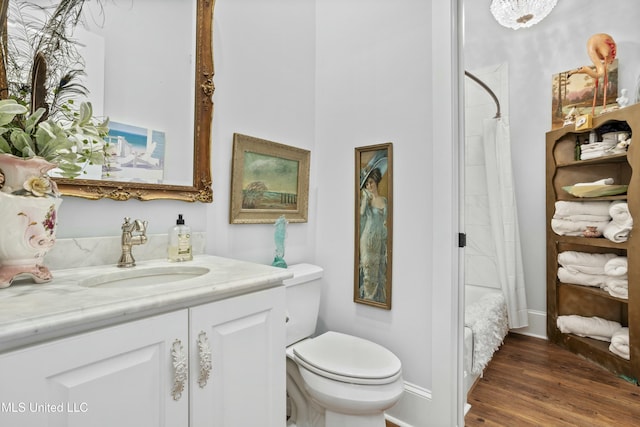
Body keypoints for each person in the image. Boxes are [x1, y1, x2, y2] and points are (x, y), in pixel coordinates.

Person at [359, 167, 387, 303]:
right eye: (366, 184)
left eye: (371, 182)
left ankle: (376, 301)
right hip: (368, 240)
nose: (369, 186)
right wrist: (365, 198)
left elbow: (386, 222)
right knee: (368, 272)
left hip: (380, 240)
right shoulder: (366, 202)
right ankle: (367, 299)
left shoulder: (385, 201)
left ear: (376, 182)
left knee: (378, 272)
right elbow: (361, 214)